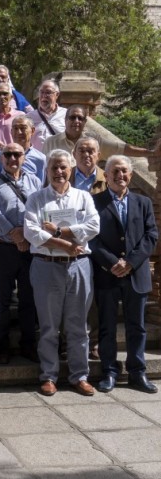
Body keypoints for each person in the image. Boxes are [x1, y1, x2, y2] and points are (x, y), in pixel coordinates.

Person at [24, 149, 100, 396]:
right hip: (46, 266)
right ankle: (48, 376)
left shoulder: (83, 197)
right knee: (48, 326)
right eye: (54, 167)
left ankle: (80, 376)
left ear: (71, 170)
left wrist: (60, 232)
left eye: (63, 168)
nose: (58, 172)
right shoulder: (36, 199)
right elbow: (32, 234)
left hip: (78, 267)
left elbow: (94, 226)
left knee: (78, 325)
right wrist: (67, 243)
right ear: (47, 171)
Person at [90, 156, 159, 394]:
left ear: (131, 175)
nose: (120, 175)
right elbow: (91, 238)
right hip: (107, 274)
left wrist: (130, 262)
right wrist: (112, 263)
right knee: (107, 325)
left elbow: (151, 235)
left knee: (136, 326)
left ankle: (137, 372)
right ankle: (109, 371)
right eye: (115, 171)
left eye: (125, 172)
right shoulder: (95, 202)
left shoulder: (143, 202)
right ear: (106, 176)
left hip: (136, 274)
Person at [0, 143, 41, 364]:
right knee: (2, 300)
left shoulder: (35, 182)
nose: (12, 158)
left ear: (24, 157)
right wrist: (13, 233)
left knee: (29, 299)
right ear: (1, 158)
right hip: (1, 249)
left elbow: (38, 210)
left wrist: (26, 235)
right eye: (7, 154)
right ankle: (2, 346)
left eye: (17, 154)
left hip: (29, 249)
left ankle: (29, 345)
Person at [28, 79, 66, 151]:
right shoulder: (29, 117)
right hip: (37, 160)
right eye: (41, 92)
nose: (44, 96)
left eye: (48, 92)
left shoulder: (66, 115)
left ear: (57, 95)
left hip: (59, 159)